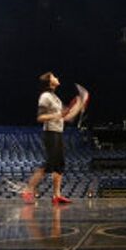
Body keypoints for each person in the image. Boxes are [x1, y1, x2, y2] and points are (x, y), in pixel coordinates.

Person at [22, 72, 83, 205]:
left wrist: (77, 107)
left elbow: (65, 117)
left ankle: (56, 196)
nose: (57, 77)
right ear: (49, 82)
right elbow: (40, 117)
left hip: (59, 132)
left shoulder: (56, 98)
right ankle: (28, 189)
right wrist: (59, 114)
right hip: (50, 133)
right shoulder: (45, 96)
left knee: (59, 165)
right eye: (54, 76)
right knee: (50, 163)